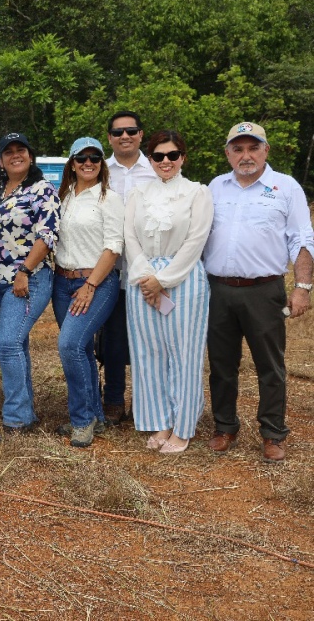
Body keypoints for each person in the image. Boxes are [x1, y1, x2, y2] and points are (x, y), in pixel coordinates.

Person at [204, 123, 314, 463]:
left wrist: (302, 288)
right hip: (218, 290)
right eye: (238, 149)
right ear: (228, 153)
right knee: (221, 364)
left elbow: (302, 239)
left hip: (263, 291)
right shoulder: (215, 187)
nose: (246, 155)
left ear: (266, 150)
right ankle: (225, 427)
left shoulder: (286, 187)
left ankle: (272, 433)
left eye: (253, 148)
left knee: (270, 365)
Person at [125, 130, 212, 454]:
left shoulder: (197, 193)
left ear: (182, 158)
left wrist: (163, 280)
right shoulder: (138, 194)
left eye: (172, 155)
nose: (166, 161)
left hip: (183, 279)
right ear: (150, 159)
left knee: (184, 354)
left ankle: (183, 426)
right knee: (149, 353)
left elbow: (196, 240)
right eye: (159, 156)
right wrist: (146, 277)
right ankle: (161, 420)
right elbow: (129, 238)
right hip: (143, 279)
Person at [0, 133, 60, 439]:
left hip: (28, 279)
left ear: (30, 156)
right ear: (1, 160)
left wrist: (24, 271)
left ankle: (16, 420)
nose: (15, 155)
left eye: (21, 150)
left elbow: (47, 235)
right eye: (8, 152)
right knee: (17, 345)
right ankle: (25, 412)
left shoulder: (42, 190)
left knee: (7, 343)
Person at [52, 138, 123, 448]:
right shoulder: (63, 196)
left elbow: (114, 247)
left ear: (102, 163)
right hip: (62, 282)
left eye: (95, 157)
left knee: (69, 345)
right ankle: (95, 414)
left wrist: (90, 285)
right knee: (80, 350)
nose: (88, 163)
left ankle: (81, 421)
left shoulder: (109, 198)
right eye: (81, 158)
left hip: (96, 283)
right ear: (72, 163)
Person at [100, 111, 156, 425]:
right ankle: (113, 401)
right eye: (118, 132)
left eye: (131, 131)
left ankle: (146, 403)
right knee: (113, 340)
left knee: (148, 339)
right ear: (109, 137)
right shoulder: (100, 170)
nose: (125, 136)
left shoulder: (156, 169)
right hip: (108, 269)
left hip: (147, 270)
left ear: (140, 135)